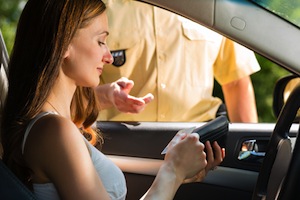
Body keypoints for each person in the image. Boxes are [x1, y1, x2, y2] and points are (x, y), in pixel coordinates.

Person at [0, 0, 224, 199]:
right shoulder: (55, 131)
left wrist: (179, 171)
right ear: (63, 43)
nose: (108, 57)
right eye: (100, 41)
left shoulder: (58, 126)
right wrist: (172, 171)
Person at [95, 0, 261, 123]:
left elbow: (236, 83)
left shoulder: (216, 5)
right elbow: (71, 90)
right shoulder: (94, 7)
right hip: (117, 147)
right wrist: (106, 96)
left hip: (201, 144)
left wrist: (249, 152)